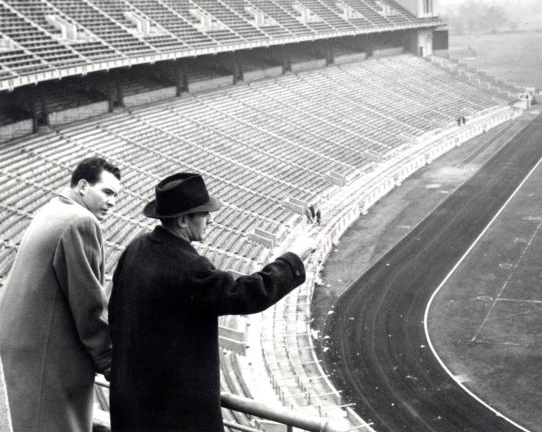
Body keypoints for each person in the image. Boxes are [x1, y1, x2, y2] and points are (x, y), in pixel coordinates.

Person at [108, 172, 316, 432]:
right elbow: (247, 294)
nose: (212, 220)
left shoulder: (136, 247)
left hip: (131, 404)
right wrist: (293, 259)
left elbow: (114, 312)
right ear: (183, 220)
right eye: (204, 214)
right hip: (171, 415)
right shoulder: (189, 267)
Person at [0, 156, 121, 432]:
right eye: (107, 192)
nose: (113, 202)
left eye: (116, 195)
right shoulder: (81, 222)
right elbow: (89, 304)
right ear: (82, 186)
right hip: (48, 362)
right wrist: (111, 361)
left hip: (23, 354)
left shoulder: (52, 209)